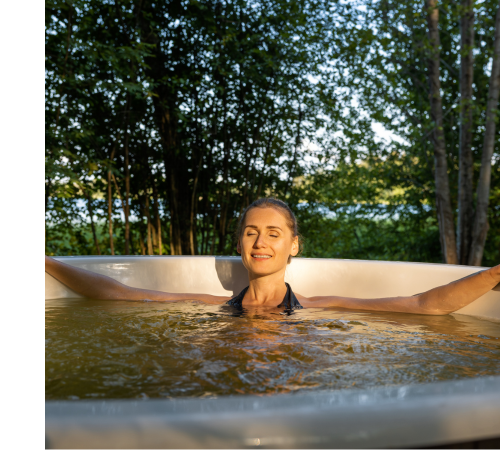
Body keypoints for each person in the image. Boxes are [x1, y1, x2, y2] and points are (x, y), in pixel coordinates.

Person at [45, 198, 500, 315]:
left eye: (274, 233)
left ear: (293, 246)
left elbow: (424, 305)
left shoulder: (320, 310)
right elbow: (118, 293)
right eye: (251, 232)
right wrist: (48, 261)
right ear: (240, 245)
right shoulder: (211, 308)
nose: (261, 242)